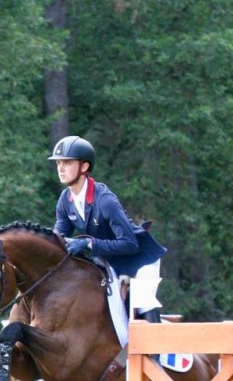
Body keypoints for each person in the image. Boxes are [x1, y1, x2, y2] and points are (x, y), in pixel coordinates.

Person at [49, 135, 165, 323]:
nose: (60, 168)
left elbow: (130, 244)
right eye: (58, 163)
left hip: (139, 258)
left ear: (84, 167)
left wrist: (87, 243)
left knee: (142, 299)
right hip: (110, 259)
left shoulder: (105, 201)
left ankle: (154, 352)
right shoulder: (65, 200)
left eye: (67, 163)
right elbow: (58, 238)